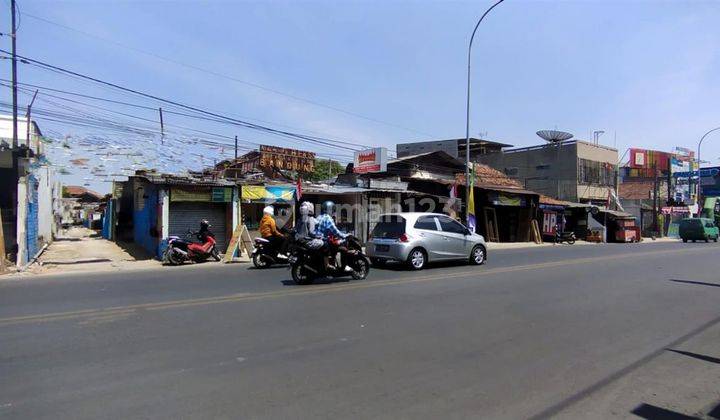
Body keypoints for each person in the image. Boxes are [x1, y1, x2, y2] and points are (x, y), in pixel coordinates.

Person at [314, 200, 347, 269]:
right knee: (342, 248)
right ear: (330, 210)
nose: (334, 212)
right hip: (323, 240)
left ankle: (333, 262)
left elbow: (329, 231)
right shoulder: (328, 218)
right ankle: (338, 266)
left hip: (317, 239)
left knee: (334, 245)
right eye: (333, 210)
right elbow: (336, 231)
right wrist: (345, 236)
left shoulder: (319, 217)